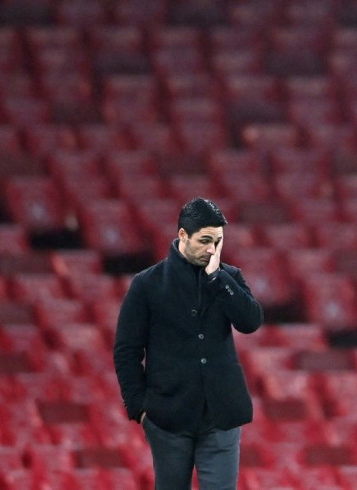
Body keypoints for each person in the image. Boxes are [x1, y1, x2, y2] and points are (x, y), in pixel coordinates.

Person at [113, 197, 264, 489]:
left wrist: (218, 279)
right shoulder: (147, 284)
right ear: (183, 235)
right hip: (168, 417)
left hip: (221, 415)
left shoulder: (229, 278)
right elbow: (127, 350)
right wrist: (139, 409)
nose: (212, 249)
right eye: (205, 240)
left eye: (218, 242)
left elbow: (251, 322)